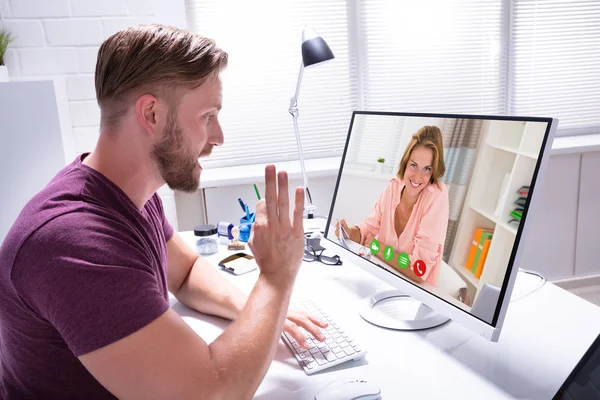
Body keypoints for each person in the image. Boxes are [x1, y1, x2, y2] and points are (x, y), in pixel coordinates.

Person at [0, 24, 328, 400]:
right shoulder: (73, 243)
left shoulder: (129, 194)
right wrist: (275, 277)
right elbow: (211, 393)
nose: (218, 136)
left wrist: (255, 312)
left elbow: (186, 272)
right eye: (207, 116)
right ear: (152, 114)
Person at [336, 126, 449, 286]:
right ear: (405, 162)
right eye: (414, 165)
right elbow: (368, 230)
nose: (418, 176)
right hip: (380, 279)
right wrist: (348, 232)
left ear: (433, 171)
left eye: (427, 169)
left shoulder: (437, 195)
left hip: (413, 295)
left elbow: (418, 271)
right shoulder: (394, 186)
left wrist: (377, 248)